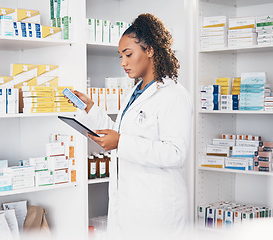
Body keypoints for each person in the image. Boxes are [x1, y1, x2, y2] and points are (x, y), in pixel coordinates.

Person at [68, 13, 193, 239]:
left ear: (150, 50)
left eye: (128, 54)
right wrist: (90, 109)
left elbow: (176, 153)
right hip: (130, 205)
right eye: (120, 56)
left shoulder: (174, 95)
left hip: (158, 210)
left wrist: (121, 143)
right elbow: (120, 134)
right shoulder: (134, 92)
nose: (123, 63)